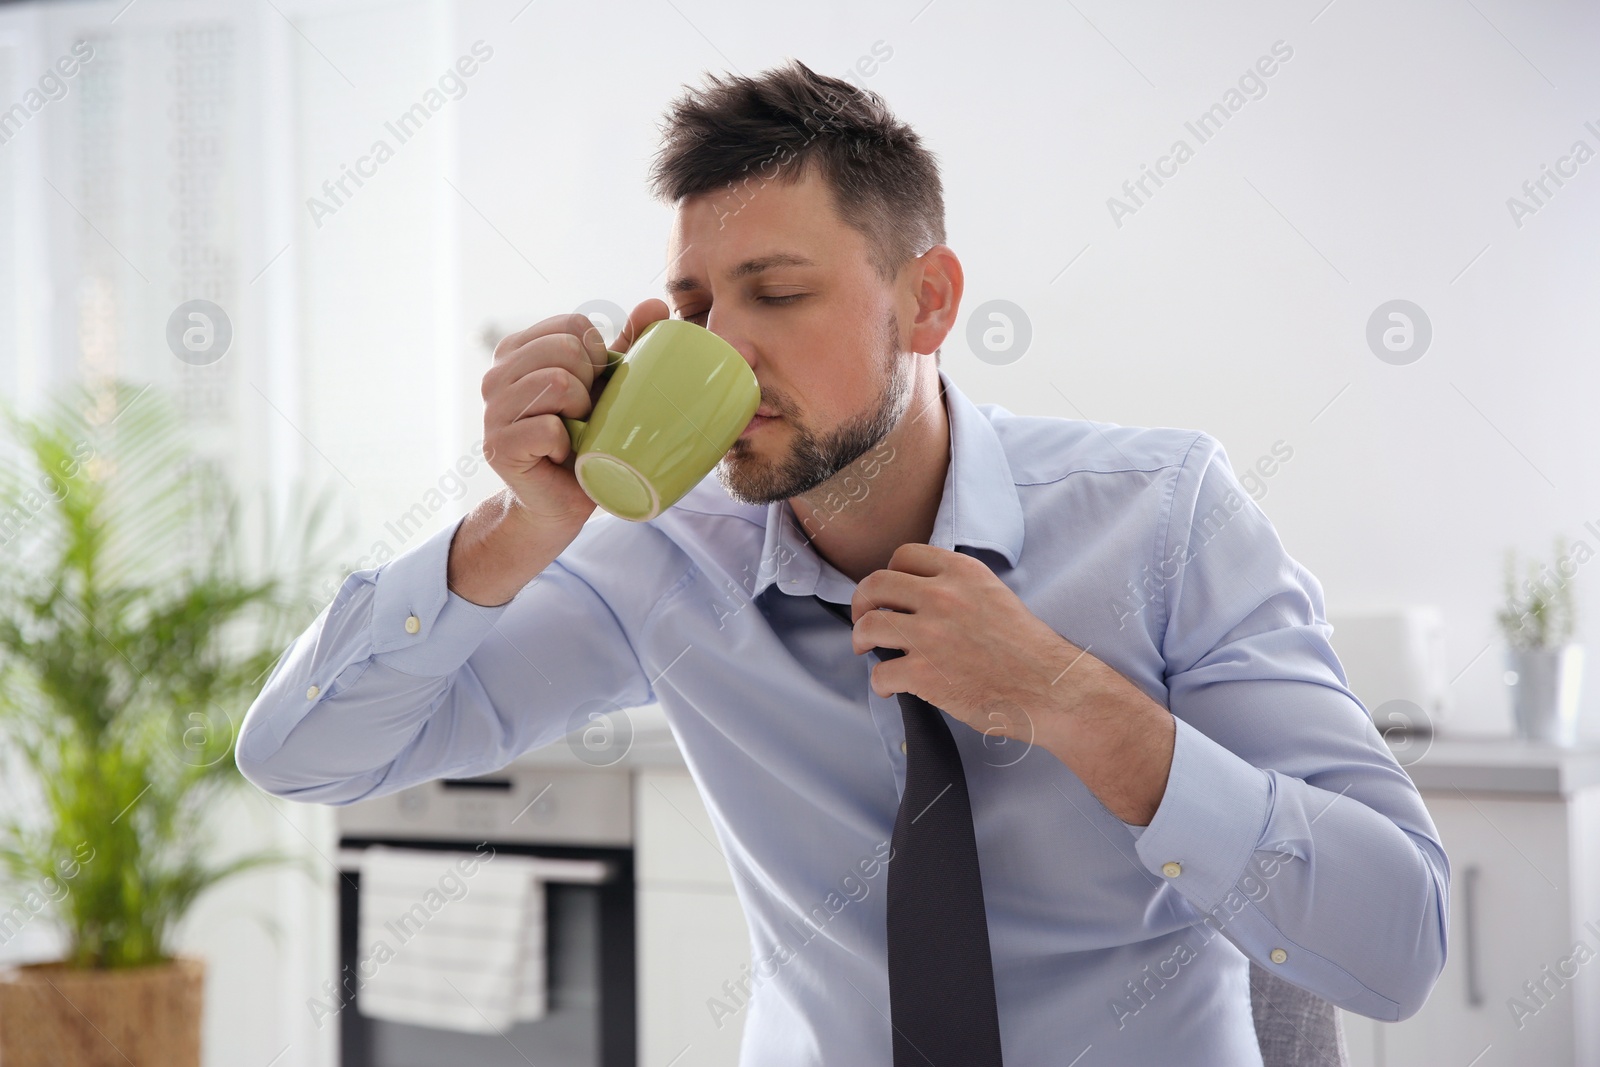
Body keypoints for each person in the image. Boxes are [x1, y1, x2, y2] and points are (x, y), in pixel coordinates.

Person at [238, 57, 1448, 1065]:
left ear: (925, 302)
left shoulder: (1164, 514)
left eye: (775, 292)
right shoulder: (667, 557)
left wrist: (1068, 699)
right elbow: (302, 756)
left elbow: (1397, 943)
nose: (726, 348)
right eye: (697, 306)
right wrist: (518, 528)